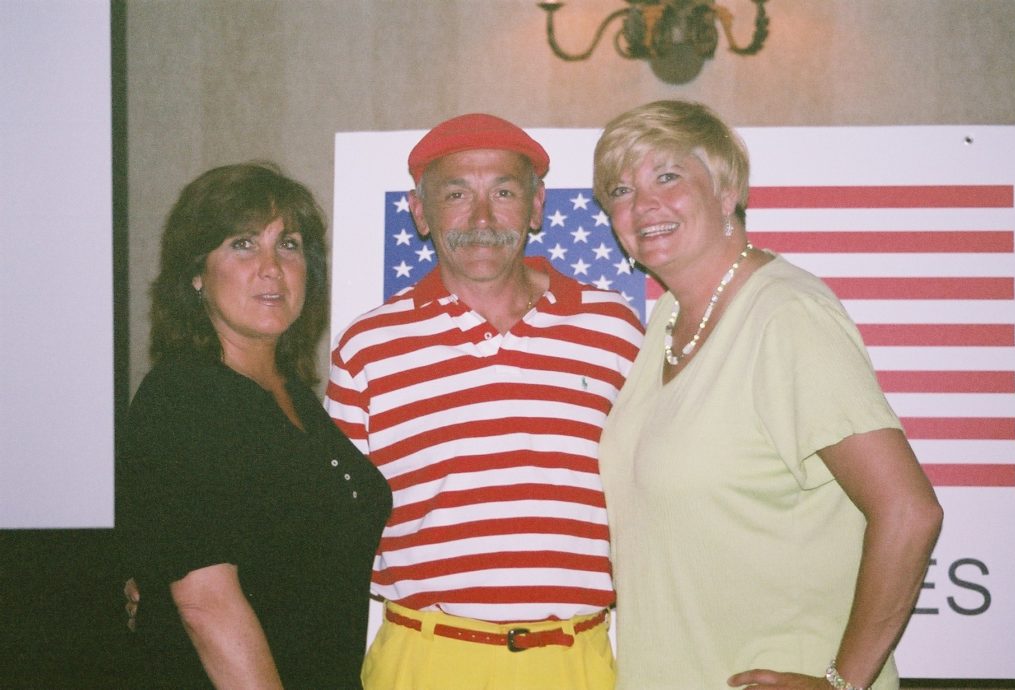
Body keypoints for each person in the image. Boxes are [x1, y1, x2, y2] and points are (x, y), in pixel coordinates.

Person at [593, 101, 943, 690]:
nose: (643, 204)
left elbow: (909, 512)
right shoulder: (666, 321)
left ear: (727, 190)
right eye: (621, 190)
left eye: (668, 176)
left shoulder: (786, 314)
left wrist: (842, 684)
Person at [324, 113, 644, 690]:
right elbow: (331, 526)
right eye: (455, 195)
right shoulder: (367, 348)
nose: (480, 219)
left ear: (536, 206)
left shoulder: (614, 329)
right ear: (420, 212)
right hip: (425, 662)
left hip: (576, 662)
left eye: (503, 192)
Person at [118, 162, 391, 688]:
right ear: (196, 273)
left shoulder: (294, 396)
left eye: (288, 245)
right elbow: (206, 605)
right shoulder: (182, 396)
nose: (272, 268)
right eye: (243, 244)